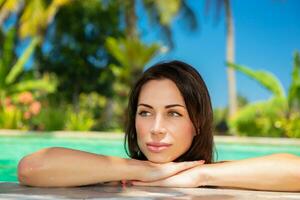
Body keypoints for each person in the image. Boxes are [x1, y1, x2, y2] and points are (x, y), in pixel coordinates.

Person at [18, 61, 300, 191]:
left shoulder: (215, 175)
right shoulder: (113, 172)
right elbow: (31, 168)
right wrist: (142, 169)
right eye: (145, 112)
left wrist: (197, 176)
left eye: (174, 114)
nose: (156, 127)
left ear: (197, 122)